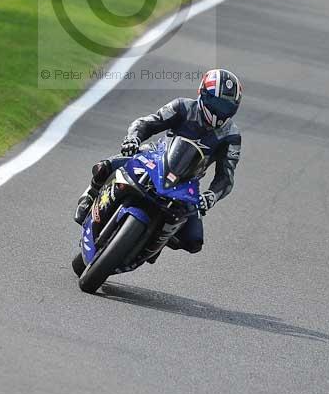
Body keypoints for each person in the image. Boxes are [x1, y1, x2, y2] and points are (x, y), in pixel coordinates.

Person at [73, 68, 243, 255]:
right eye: (215, 102)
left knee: (193, 242)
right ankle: (90, 195)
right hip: (154, 157)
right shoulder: (182, 107)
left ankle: (153, 240)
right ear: (202, 93)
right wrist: (133, 139)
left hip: (187, 182)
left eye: (226, 107)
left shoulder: (231, 136)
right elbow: (147, 123)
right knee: (103, 167)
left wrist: (211, 196)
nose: (219, 111)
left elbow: (226, 177)